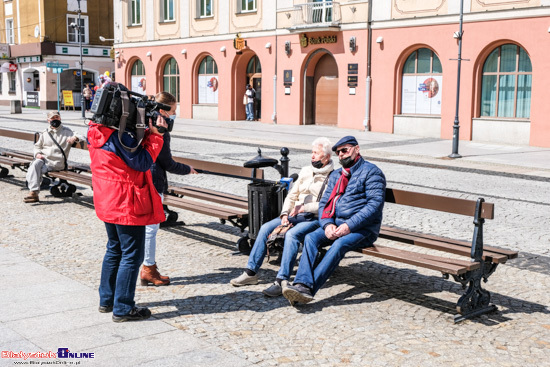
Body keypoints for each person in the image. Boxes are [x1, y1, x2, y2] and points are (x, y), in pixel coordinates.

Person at [87, 101, 168, 322]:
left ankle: (107, 300)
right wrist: (156, 136)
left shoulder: (95, 131)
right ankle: (123, 308)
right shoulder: (120, 138)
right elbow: (142, 163)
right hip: (126, 203)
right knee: (132, 255)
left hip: (108, 199)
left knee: (114, 249)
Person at [282, 136, 386, 305]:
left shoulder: (371, 172)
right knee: (310, 238)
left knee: (338, 245)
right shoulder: (337, 174)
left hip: (363, 229)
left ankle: (307, 290)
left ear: (357, 149)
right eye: (338, 152)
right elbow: (325, 203)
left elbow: (374, 206)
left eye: (345, 150)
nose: (342, 155)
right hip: (336, 224)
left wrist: (348, 225)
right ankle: (301, 283)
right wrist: (327, 224)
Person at [230, 137, 334, 297]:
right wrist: (285, 213)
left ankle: (281, 281)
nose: (312, 156)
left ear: (326, 157)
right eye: (312, 152)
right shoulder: (306, 170)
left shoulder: (333, 177)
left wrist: (303, 208)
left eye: (316, 153)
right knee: (265, 228)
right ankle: (250, 273)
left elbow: (326, 206)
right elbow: (292, 195)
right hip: (294, 215)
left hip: (314, 219)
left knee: (292, 235)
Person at [140, 92, 198, 286]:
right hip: (152, 180)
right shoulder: (161, 127)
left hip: (137, 178)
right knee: (151, 227)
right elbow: (166, 162)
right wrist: (187, 169)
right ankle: (148, 269)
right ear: (163, 110)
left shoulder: (142, 119)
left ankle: (146, 267)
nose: (174, 114)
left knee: (141, 226)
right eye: (173, 110)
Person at [24, 111, 84, 203]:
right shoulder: (45, 133)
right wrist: (37, 154)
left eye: (57, 117)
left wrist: (75, 138)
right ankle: (34, 192)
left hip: (57, 163)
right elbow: (37, 146)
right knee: (35, 164)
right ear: (48, 120)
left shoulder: (67, 131)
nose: (55, 120)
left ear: (60, 118)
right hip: (45, 161)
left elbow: (82, 136)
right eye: (52, 118)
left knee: (34, 170)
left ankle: (34, 191)